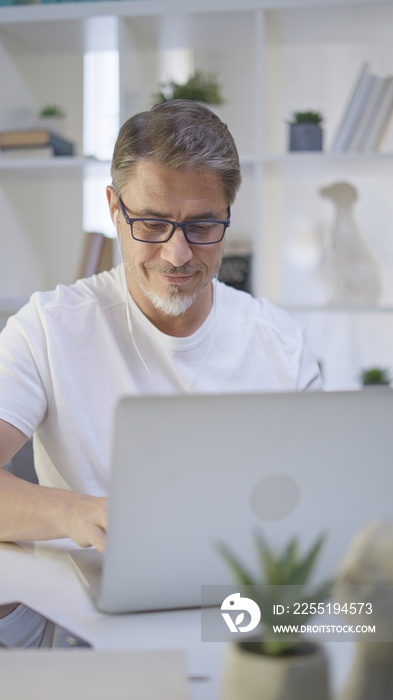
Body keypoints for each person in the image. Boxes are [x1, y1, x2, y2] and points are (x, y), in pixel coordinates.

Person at [0, 100, 322, 554]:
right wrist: (76, 513)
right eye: (151, 224)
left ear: (227, 215)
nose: (178, 255)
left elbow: (320, 504)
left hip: (238, 605)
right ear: (115, 209)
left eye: (202, 225)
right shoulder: (49, 328)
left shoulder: (281, 343)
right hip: (91, 612)